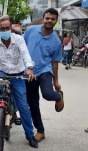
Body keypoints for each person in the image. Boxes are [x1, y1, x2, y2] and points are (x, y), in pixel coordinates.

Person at [0, 15, 38, 148]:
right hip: (1, 73)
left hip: (17, 74)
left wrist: (29, 68)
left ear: (11, 27)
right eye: (2, 29)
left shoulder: (19, 39)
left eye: (7, 28)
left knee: (23, 105)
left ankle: (29, 134)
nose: (4, 31)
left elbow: (26, 54)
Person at [24, 8, 64, 142]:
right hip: (29, 71)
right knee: (33, 103)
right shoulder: (30, 31)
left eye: (53, 19)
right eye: (47, 18)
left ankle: (58, 96)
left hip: (44, 70)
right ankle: (40, 131)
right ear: (43, 18)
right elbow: (21, 48)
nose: (49, 21)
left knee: (47, 93)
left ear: (56, 21)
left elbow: (54, 63)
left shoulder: (56, 41)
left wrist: (56, 82)